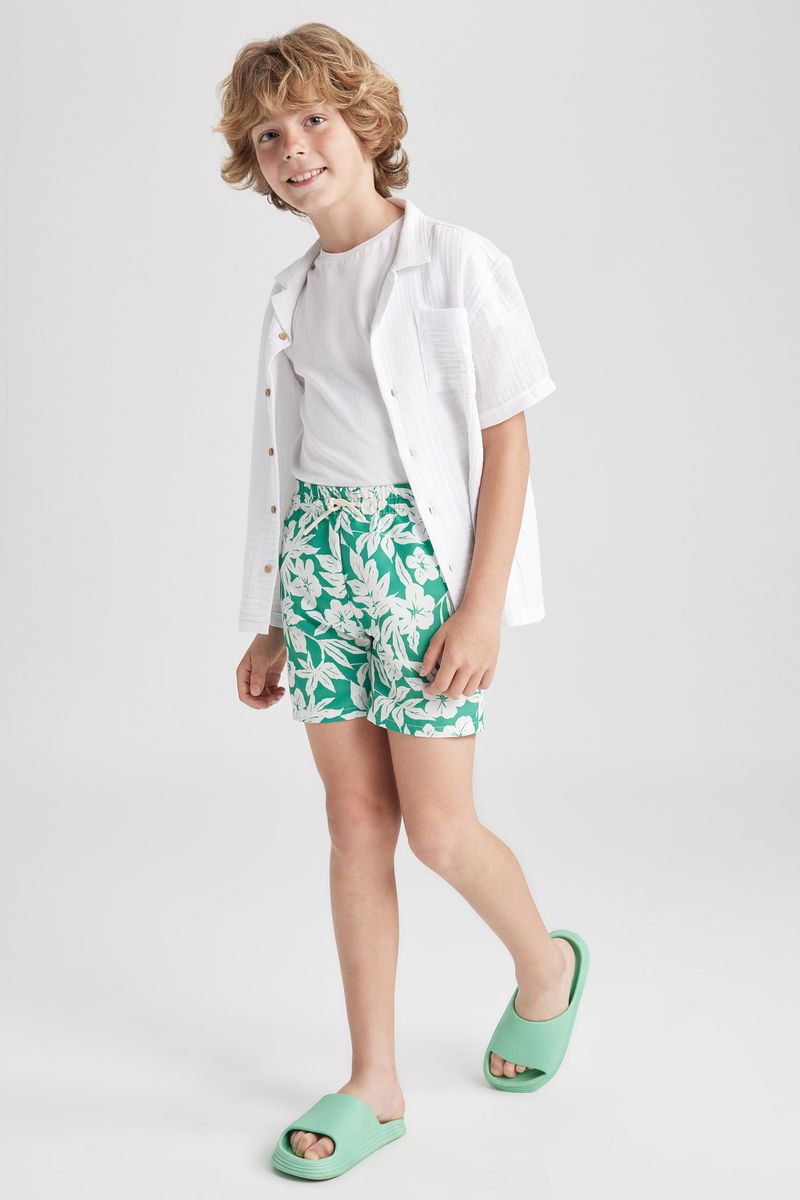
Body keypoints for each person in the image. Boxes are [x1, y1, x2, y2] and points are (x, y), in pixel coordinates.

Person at [217, 21, 589, 1182]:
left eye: (313, 118)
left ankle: (545, 967)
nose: (293, 146)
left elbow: (505, 439)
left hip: (417, 570)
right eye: (267, 134)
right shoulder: (289, 291)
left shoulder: (456, 262)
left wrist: (478, 609)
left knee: (436, 830)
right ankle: (373, 1081)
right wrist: (274, 615)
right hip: (320, 569)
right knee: (354, 824)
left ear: (366, 124)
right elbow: (285, 463)